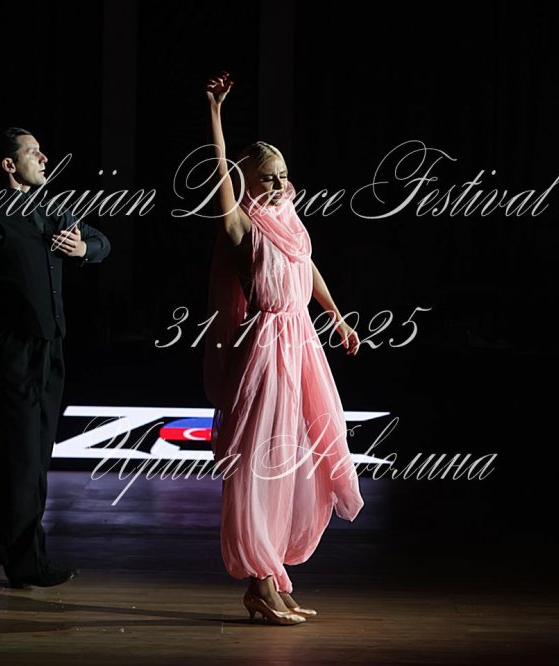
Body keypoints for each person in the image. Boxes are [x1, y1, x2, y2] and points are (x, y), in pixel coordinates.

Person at [203, 73, 364, 625]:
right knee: (260, 464)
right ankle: (260, 582)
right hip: (266, 351)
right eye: (266, 177)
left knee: (302, 459)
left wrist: (336, 315)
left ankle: (272, 577)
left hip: (302, 346)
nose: (278, 183)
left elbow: (307, 267)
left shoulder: (290, 220)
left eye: (283, 175)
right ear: (247, 182)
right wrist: (216, 114)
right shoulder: (241, 226)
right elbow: (220, 173)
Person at [0, 127, 111, 588]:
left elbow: (104, 243)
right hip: (13, 353)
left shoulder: (52, 211)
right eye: (33, 152)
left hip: (51, 350)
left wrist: (84, 249)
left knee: (37, 458)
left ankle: (26, 558)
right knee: (20, 460)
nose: (44, 158)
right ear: (9, 165)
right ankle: (24, 562)